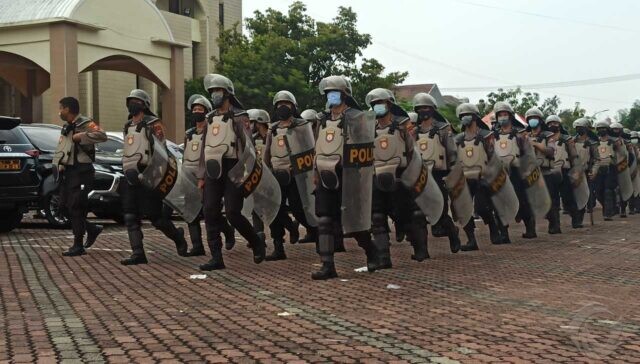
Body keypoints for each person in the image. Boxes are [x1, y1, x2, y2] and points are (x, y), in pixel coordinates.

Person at [197, 74, 266, 270]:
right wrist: (201, 175)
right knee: (210, 211)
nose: (214, 95)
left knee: (233, 213)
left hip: (233, 168)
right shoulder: (210, 118)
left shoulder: (239, 117)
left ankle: (256, 240)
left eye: (217, 91)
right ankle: (216, 257)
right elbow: (204, 147)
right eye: (211, 92)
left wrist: (247, 172)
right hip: (212, 168)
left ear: (227, 93)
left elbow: (248, 146)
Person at [313, 75, 377, 279]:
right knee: (324, 219)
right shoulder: (322, 119)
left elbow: (364, 148)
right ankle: (327, 265)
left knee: (353, 222)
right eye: (328, 93)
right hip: (324, 173)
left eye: (335, 93)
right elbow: (318, 146)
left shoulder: (356, 118)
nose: (331, 96)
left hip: (348, 174)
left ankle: (372, 250)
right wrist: (315, 172)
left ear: (344, 95)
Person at [120, 89, 189, 265]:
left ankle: (177, 236)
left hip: (147, 175)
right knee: (130, 216)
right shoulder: (128, 125)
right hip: (130, 174)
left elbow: (161, 151)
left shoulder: (153, 124)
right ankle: (138, 253)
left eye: (136, 101)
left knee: (155, 217)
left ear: (144, 104)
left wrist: (151, 175)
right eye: (130, 101)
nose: (132, 104)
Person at [367, 88, 429, 265]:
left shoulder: (403, 125)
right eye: (375, 104)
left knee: (406, 216)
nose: (378, 107)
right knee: (377, 218)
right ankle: (383, 257)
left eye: (381, 103)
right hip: (376, 176)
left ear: (389, 105)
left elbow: (412, 151)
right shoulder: (368, 129)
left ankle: (420, 249)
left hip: (399, 177)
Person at [262, 91, 319, 260]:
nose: (282, 107)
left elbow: (310, 150)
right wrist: (266, 172)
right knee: (274, 210)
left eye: (286, 104)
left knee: (299, 209)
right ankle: (279, 246)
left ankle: (316, 233)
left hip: (296, 174)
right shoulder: (272, 129)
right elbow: (267, 153)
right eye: (279, 105)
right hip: (276, 175)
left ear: (293, 106)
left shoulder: (302, 126)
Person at [54, 97, 106, 256]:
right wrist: (59, 165)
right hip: (68, 172)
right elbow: (63, 147)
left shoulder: (86, 123)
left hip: (82, 171)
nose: (59, 111)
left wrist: (82, 136)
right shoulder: (66, 127)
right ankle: (92, 229)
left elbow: (102, 135)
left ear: (68, 109)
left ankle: (78, 245)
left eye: (61, 108)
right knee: (63, 206)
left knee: (77, 206)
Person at [412, 92, 461, 252]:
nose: (422, 111)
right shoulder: (414, 131)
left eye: (426, 108)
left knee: (439, 212)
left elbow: (452, 151)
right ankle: (422, 251)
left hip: (438, 174)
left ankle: (453, 233)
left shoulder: (442, 129)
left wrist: (452, 172)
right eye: (419, 108)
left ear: (432, 109)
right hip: (420, 176)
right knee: (419, 213)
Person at [454, 103, 506, 250]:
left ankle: (494, 229)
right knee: (464, 210)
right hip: (464, 178)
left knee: (482, 208)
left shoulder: (486, 136)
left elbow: (492, 157)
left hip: (483, 177)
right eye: (462, 116)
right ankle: (471, 240)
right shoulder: (458, 139)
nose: (465, 118)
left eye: (467, 115)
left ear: (475, 116)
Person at [526, 108, 561, 233]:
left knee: (548, 201)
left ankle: (554, 224)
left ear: (540, 120)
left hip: (546, 172)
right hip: (531, 172)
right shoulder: (526, 136)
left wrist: (536, 145)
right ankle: (530, 230)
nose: (532, 121)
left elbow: (551, 151)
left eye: (534, 118)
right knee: (530, 201)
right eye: (530, 118)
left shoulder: (548, 136)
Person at [572, 117, 599, 226]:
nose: (579, 129)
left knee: (583, 195)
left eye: (581, 127)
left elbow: (597, 159)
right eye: (577, 127)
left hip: (586, 171)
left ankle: (579, 219)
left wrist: (594, 171)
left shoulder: (592, 143)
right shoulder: (572, 141)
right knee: (573, 196)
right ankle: (574, 217)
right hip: (573, 172)